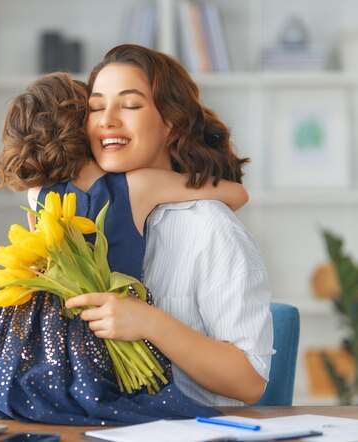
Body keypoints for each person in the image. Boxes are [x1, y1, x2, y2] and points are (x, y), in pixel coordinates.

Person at [0, 71, 248, 424]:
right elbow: (236, 194)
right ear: (85, 125)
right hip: (117, 326)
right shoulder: (139, 184)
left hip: (55, 338)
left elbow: (41, 261)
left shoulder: (37, 195)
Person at [65, 44, 273, 407]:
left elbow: (250, 381)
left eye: (130, 105)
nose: (107, 120)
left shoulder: (210, 228)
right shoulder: (78, 221)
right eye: (96, 107)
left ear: (171, 122)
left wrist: (150, 322)